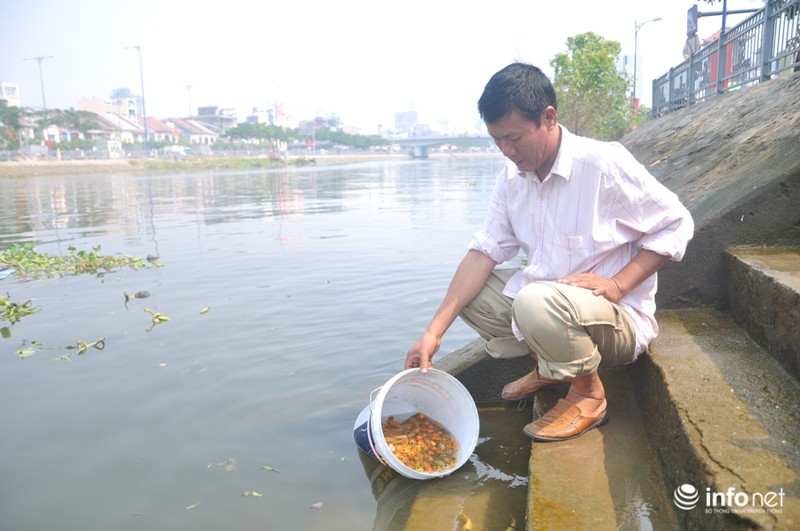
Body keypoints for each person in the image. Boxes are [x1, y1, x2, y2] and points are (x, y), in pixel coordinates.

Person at [404, 63, 694, 442]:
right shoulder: (512, 179)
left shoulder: (601, 164)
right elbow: (482, 253)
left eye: (514, 138)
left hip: (615, 319)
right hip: (549, 308)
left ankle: (589, 396)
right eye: (497, 140)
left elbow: (675, 223)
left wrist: (618, 284)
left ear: (549, 118)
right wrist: (432, 333)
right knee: (472, 297)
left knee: (534, 300)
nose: (507, 151)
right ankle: (551, 364)